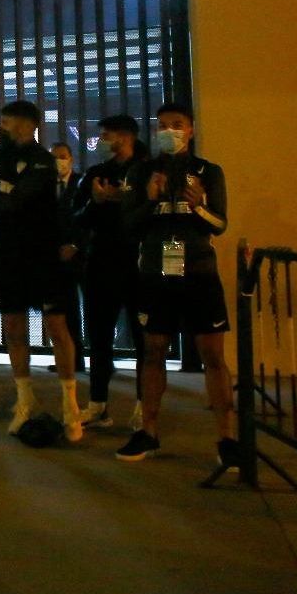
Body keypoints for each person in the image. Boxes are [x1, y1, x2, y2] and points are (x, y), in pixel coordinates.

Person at [117, 102, 238, 465]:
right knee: (153, 352)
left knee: (212, 356)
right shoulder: (142, 172)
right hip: (155, 275)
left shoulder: (208, 172)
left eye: (177, 125)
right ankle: (148, 432)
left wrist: (199, 206)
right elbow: (129, 227)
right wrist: (152, 202)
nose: (170, 131)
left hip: (200, 273)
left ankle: (227, 438)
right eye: (163, 126)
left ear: (191, 130)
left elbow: (219, 225)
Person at [0, 100, 83, 441]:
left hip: (43, 256)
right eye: (2, 122)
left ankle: (70, 405)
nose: (3, 127)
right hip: (11, 256)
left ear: (27, 125)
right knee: (13, 326)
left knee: (57, 327)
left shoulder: (43, 161)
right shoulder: (3, 156)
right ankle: (25, 399)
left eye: (9, 122)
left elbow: (19, 200)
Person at [72, 115, 148, 430]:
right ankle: (97, 405)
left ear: (126, 136)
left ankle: (145, 407)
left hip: (140, 266)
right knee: (99, 338)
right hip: (101, 263)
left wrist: (124, 200)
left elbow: (156, 212)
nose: (101, 141)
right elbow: (77, 217)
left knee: (145, 340)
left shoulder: (148, 171)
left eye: (107, 135)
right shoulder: (95, 174)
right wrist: (97, 203)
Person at [51, 142, 87, 373]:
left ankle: (102, 358)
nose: (59, 161)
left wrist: (76, 244)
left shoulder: (82, 183)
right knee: (67, 309)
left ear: (71, 159)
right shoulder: (47, 186)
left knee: (92, 308)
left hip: (82, 255)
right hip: (57, 257)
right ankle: (73, 360)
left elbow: (88, 218)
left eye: (62, 157)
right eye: (54, 157)